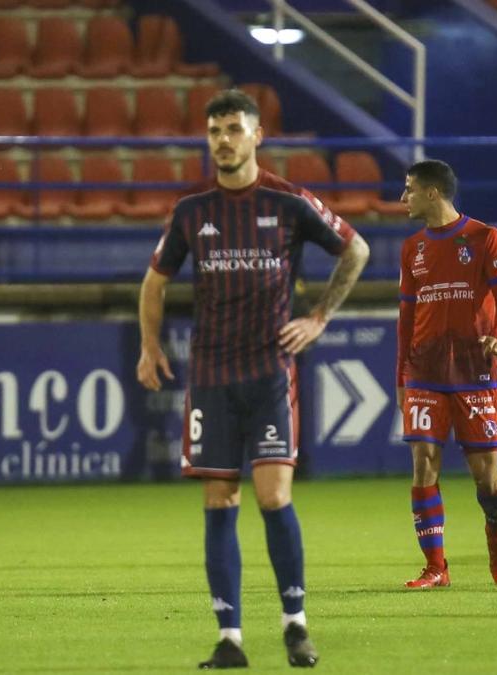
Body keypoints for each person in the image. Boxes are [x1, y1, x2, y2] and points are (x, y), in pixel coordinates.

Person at [137, 89, 370, 669]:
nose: (223, 139)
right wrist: (148, 347)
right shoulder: (192, 210)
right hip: (212, 375)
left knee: (273, 496)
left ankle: (295, 625)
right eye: (215, 130)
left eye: (234, 129)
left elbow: (356, 249)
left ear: (257, 136)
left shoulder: (288, 203)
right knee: (220, 500)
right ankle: (230, 637)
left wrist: (318, 318)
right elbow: (154, 281)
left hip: (269, 372)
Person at [396, 159, 497, 589]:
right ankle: (436, 567)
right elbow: (406, 317)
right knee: (423, 462)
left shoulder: (485, 237)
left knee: (486, 476)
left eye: (409, 189)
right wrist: (401, 377)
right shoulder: (412, 247)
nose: (402, 197)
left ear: (432, 193)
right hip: (425, 372)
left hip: (474, 372)